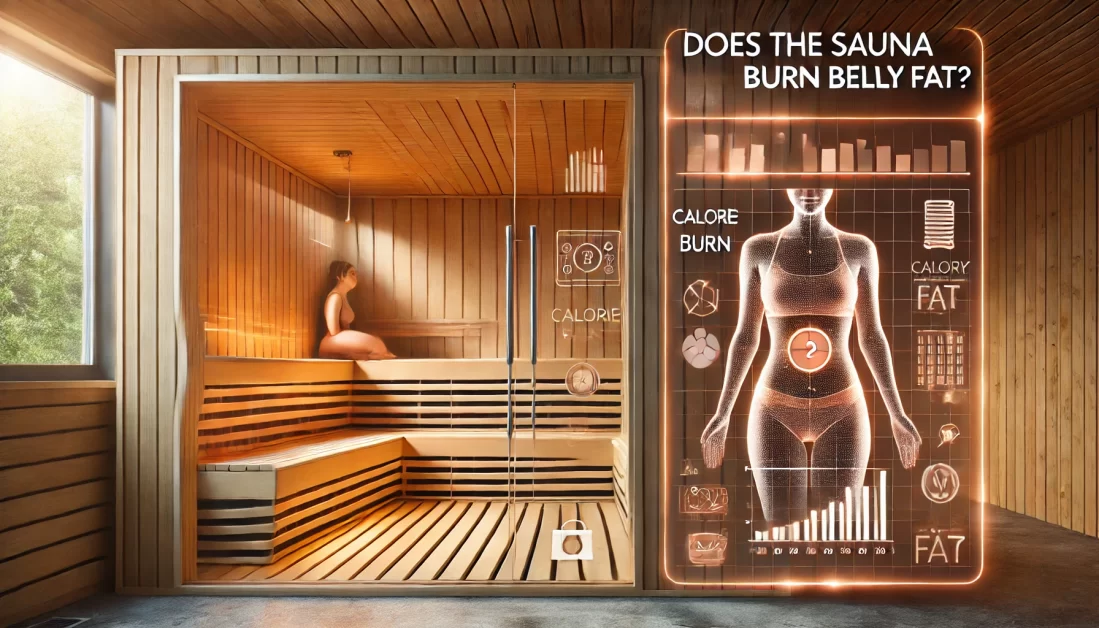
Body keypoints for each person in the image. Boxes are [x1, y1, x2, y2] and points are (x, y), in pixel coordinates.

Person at [699, 188, 921, 526]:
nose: (809, 192)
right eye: (799, 181)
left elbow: (871, 335)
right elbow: (746, 336)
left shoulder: (858, 249)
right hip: (774, 408)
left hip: (843, 407)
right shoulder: (758, 249)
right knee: (784, 534)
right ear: (785, 184)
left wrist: (898, 414)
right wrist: (722, 414)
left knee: (837, 532)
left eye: (819, 181)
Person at [318, 261, 396, 360]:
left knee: (378, 345)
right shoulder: (335, 297)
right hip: (332, 341)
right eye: (352, 273)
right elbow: (333, 331)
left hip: (338, 339)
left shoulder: (342, 296)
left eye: (356, 274)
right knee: (377, 345)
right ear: (340, 276)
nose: (356, 277)